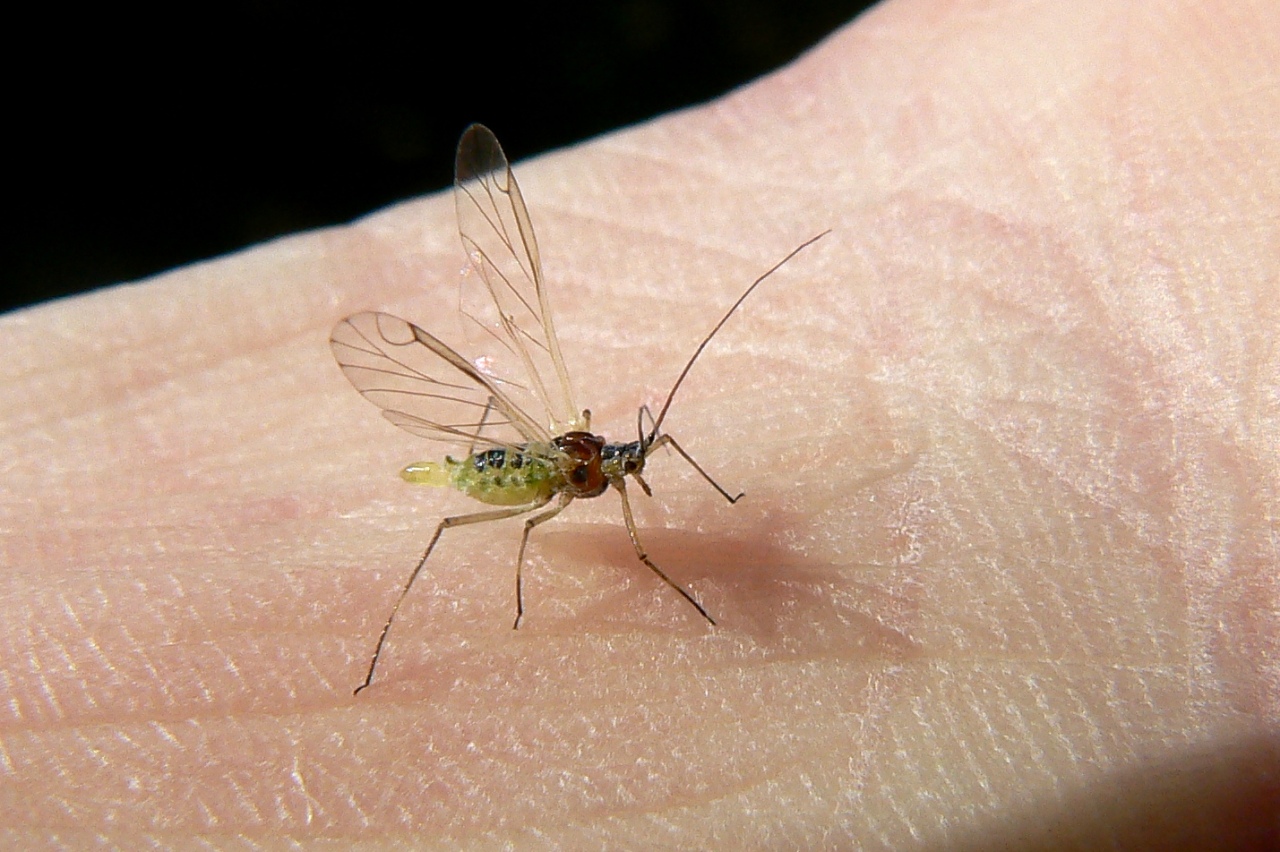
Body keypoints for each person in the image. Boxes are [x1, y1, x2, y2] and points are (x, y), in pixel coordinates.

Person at [5, 2, 1277, 846]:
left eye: (622, 460)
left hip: (518, 461)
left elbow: (654, 452)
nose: (624, 465)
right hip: (486, 471)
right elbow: (542, 525)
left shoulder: (609, 458)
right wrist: (615, 552)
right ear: (589, 465)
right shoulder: (557, 481)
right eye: (620, 459)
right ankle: (389, 640)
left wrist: (694, 489)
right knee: (464, 533)